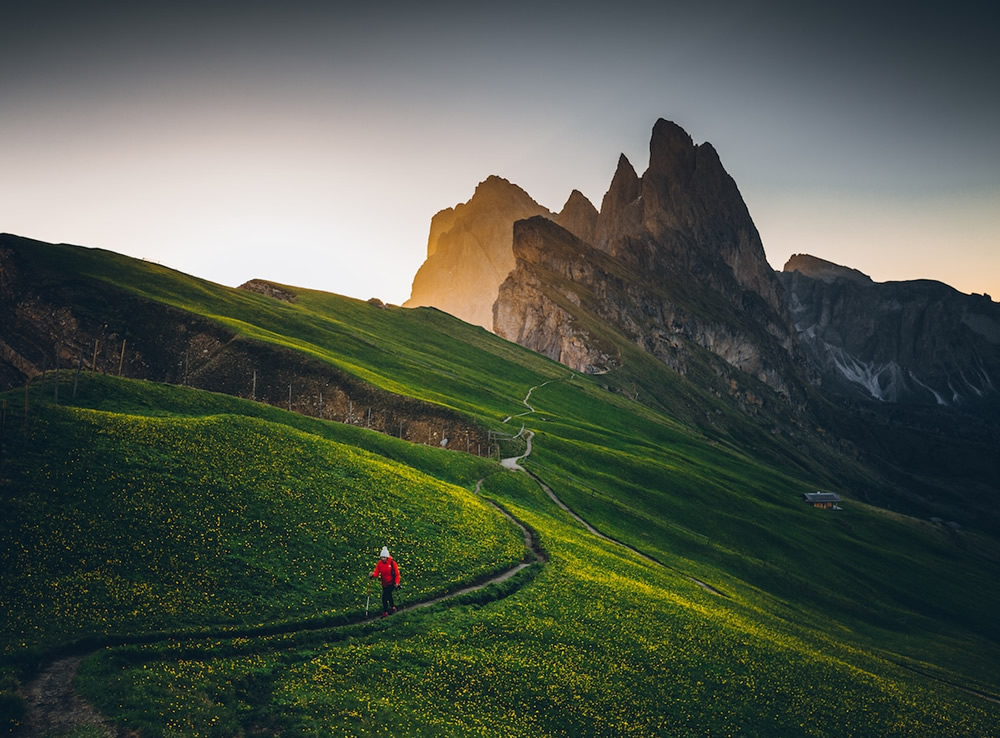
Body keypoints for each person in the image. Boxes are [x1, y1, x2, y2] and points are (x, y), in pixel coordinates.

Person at [370, 545, 401, 617]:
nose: (383, 559)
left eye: (384, 557)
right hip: (384, 583)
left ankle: (385, 611)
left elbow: (397, 574)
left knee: (384, 597)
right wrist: (372, 575)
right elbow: (376, 573)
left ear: (387, 557)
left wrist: (397, 582)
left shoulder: (392, 563)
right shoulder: (379, 563)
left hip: (391, 583)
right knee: (389, 595)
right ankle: (393, 607)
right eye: (381, 557)